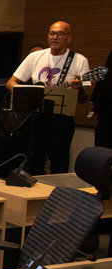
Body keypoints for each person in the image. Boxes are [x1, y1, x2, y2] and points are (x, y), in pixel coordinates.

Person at [7, 21, 88, 174]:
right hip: (35, 119)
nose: (54, 37)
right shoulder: (35, 57)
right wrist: (24, 94)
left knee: (59, 164)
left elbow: (84, 99)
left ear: (69, 38)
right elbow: (11, 82)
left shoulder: (79, 60)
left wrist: (79, 87)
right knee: (32, 164)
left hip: (61, 121)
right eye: (52, 33)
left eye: (60, 34)